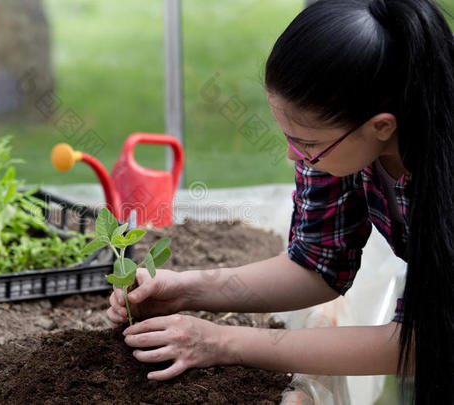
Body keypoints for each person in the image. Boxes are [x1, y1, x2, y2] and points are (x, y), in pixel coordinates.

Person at [107, 0, 454, 403]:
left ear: (381, 126)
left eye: (306, 143)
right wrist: (185, 290)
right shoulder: (340, 147)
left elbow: (420, 342)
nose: (293, 155)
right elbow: (317, 266)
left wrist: (223, 342)